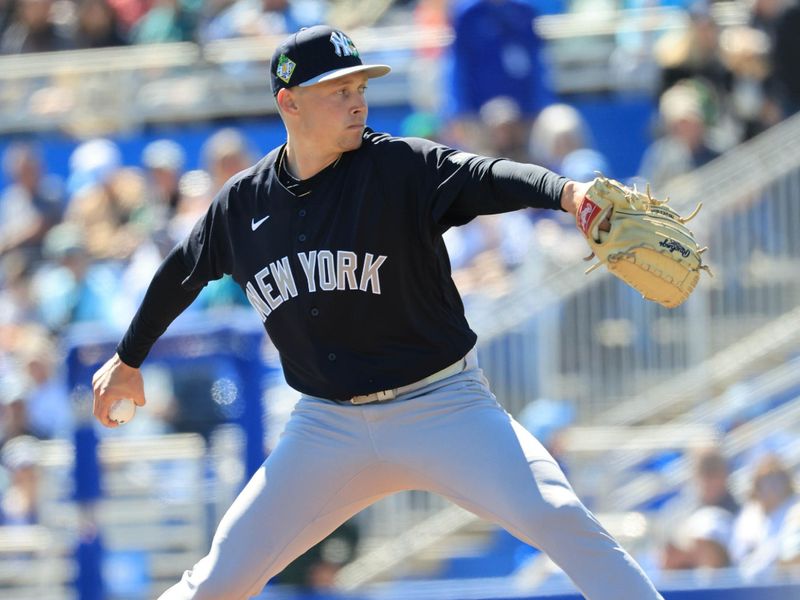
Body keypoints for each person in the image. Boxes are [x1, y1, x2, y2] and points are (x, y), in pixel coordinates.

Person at [91, 25, 663, 599]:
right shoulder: (244, 203)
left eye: (358, 84)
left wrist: (567, 193)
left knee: (561, 517)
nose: (356, 99)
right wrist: (128, 357)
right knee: (221, 576)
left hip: (443, 406)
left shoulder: (399, 166)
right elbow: (181, 271)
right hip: (327, 426)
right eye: (336, 89)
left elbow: (485, 177)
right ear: (288, 102)